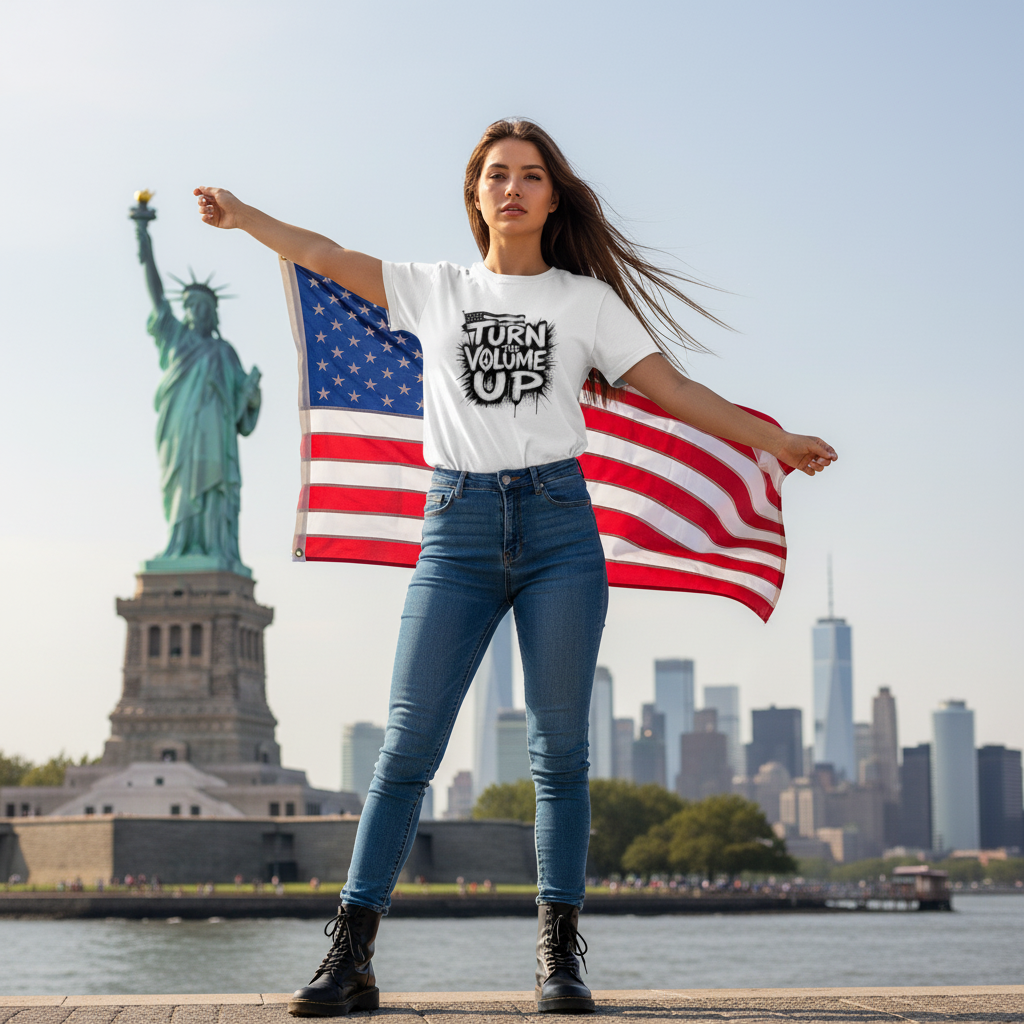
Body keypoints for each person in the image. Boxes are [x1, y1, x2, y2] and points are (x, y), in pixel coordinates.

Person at [194, 118, 836, 1016]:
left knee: (559, 756)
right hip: (454, 533)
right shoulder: (436, 288)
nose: (513, 188)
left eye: (531, 175)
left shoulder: (586, 302)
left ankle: (558, 958)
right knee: (406, 751)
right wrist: (243, 217)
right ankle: (351, 955)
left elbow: (677, 392)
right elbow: (326, 256)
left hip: (559, 533)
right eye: (497, 174)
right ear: (476, 195)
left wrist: (777, 441)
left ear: (552, 196)